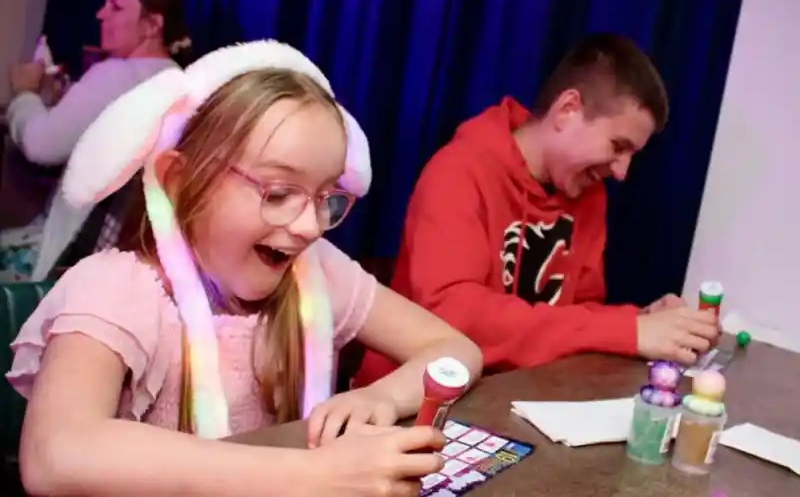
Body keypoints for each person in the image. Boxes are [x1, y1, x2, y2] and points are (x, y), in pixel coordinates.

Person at [6, 40, 483, 496]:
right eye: (277, 194)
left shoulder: (314, 274)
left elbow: (455, 350)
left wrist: (378, 398)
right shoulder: (116, 288)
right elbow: (56, 454)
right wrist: (311, 477)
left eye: (326, 199)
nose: (309, 227)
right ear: (177, 180)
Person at [354, 33, 719, 387]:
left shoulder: (587, 192)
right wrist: (626, 331)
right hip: (412, 399)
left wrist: (638, 321)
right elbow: (454, 315)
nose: (622, 172)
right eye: (617, 146)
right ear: (567, 110)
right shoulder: (459, 171)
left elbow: (578, 317)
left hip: (516, 398)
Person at [1, 0, 192, 282]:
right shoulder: (177, 82)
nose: (100, 13)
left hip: (65, 258)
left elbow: (40, 145)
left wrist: (24, 93)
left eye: (115, 7)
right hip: (118, 265)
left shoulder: (119, 75)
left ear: (152, 25)